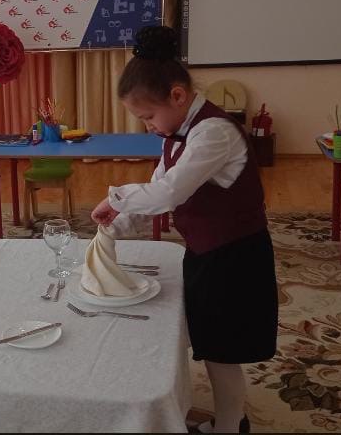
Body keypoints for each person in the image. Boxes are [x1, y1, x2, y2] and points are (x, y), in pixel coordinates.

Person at [91, 26, 277, 433]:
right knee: (209, 342)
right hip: (207, 251)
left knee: (222, 352)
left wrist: (116, 197)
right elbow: (157, 188)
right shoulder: (175, 133)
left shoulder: (214, 132)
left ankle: (230, 426)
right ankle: (228, 418)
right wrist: (117, 225)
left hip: (235, 255)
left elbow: (170, 193)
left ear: (177, 95)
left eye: (148, 116)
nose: (148, 126)